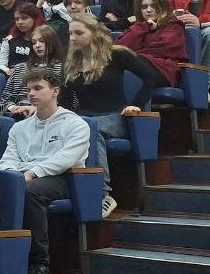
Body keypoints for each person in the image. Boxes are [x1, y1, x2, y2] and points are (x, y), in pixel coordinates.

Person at [65, 15, 168, 212]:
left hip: (115, 115)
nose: (72, 38)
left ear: (94, 34)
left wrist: (137, 104)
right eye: (70, 33)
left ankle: (103, 194)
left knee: (91, 129)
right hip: (84, 116)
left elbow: (149, 77)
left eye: (78, 33)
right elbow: (66, 100)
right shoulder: (72, 62)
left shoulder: (115, 55)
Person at [0, 68, 90, 274]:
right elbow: (8, 157)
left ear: (55, 91)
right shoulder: (19, 127)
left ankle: (39, 265)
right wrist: (12, 175)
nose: (31, 93)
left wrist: (31, 173)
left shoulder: (75, 124)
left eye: (38, 88)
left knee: (30, 192)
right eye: (29, 89)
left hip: (63, 177)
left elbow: (66, 158)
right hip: (23, 176)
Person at [118, 0, 189, 90]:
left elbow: (163, 49)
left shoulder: (174, 26)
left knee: (129, 60)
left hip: (163, 70)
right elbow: (121, 47)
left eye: (153, 6)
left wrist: (133, 54)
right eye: (144, 7)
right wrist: (143, 26)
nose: (149, 10)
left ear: (162, 7)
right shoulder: (138, 27)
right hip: (137, 65)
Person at [0, 25, 65, 118]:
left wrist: (36, 109)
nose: (37, 45)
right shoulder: (19, 68)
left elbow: (68, 103)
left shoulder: (63, 69)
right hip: (19, 115)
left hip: (50, 116)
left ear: (52, 43)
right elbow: (3, 101)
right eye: (34, 43)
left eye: (42, 41)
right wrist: (14, 108)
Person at [0, 3, 45, 74]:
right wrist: (7, 70)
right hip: (12, 75)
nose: (19, 22)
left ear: (35, 19)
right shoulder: (10, 39)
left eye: (24, 18)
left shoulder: (44, 40)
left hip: (35, 74)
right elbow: (0, 64)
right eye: (17, 19)